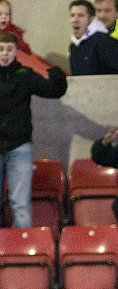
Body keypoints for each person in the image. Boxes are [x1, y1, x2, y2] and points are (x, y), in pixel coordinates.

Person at [0, 32, 67, 228]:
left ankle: (23, 251)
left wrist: (58, 74)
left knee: (20, 204)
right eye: (1, 50)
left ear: (16, 52)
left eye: (9, 50)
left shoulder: (25, 75)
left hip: (19, 146)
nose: (5, 54)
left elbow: (54, 90)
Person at [68, 0, 118, 75]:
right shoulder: (74, 47)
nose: (75, 20)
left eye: (81, 15)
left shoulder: (105, 42)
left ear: (91, 19)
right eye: (72, 15)